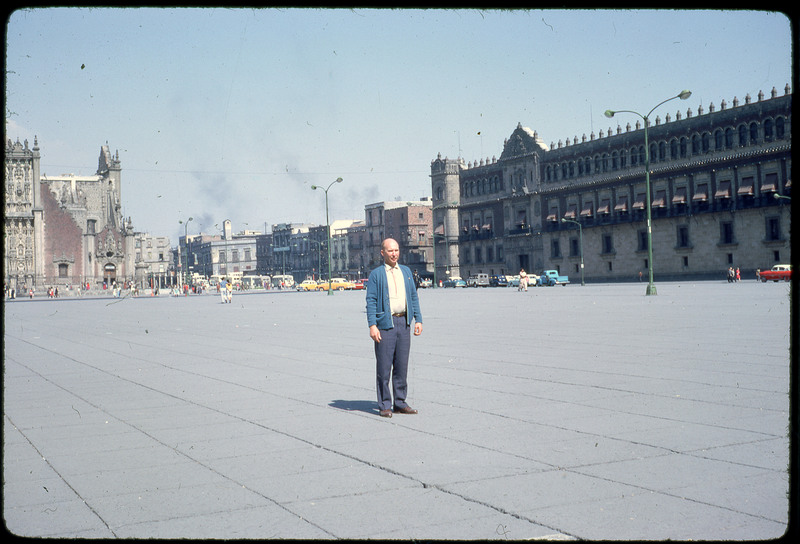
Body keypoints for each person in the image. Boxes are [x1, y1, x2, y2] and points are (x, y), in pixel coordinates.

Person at [366, 238, 423, 418]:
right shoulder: (376, 274)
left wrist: (418, 320)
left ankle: (400, 402)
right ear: (382, 253)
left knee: (401, 366)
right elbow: (371, 301)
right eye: (390, 251)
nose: (394, 254)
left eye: (396, 250)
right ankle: (384, 404)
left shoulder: (405, 272)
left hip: (404, 323)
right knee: (384, 367)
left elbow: (413, 297)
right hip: (385, 325)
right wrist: (372, 325)